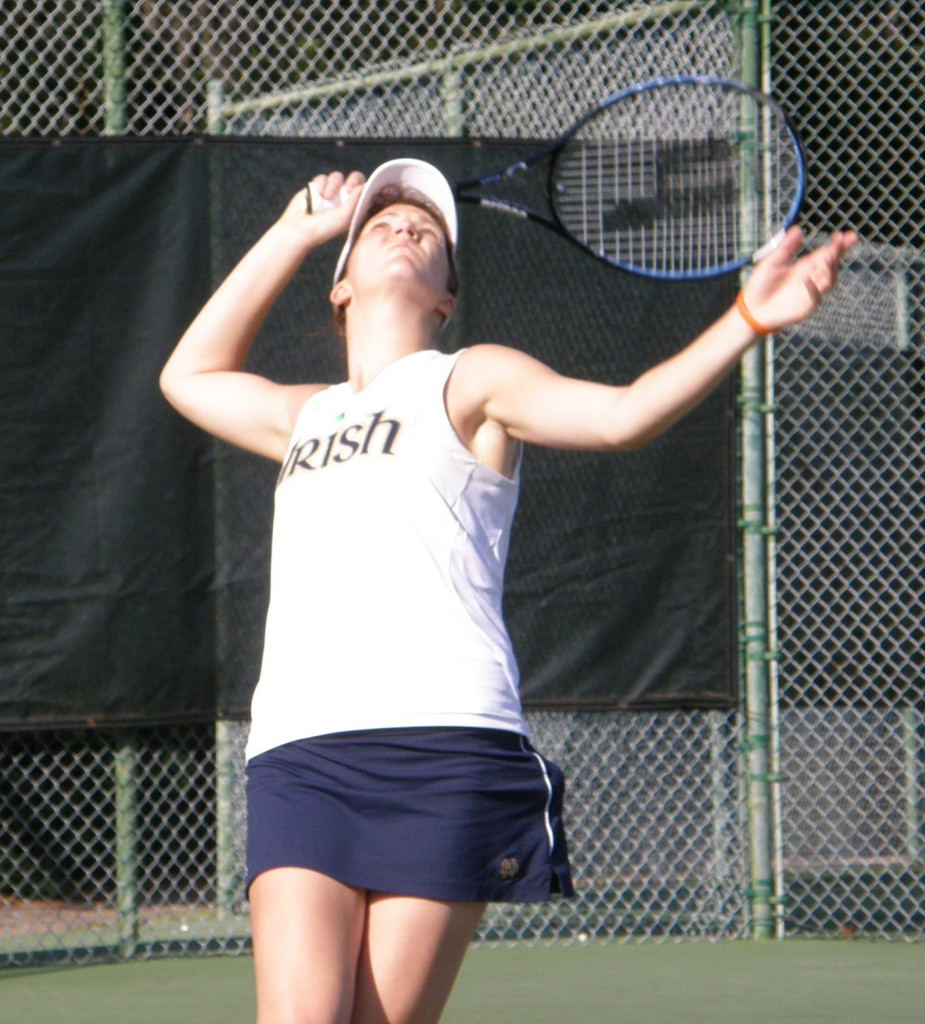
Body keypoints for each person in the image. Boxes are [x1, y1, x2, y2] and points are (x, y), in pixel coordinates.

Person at [160, 157, 856, 1024]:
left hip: (442, 746)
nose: (406, 226)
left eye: (428, 230)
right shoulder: (303, 413)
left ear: (447, 298)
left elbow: (622, 415)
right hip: (301, 752)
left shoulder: (472, 380)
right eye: (380, 221)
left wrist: (749, 317)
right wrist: (294, 229)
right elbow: (185, 375)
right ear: (339, 286)